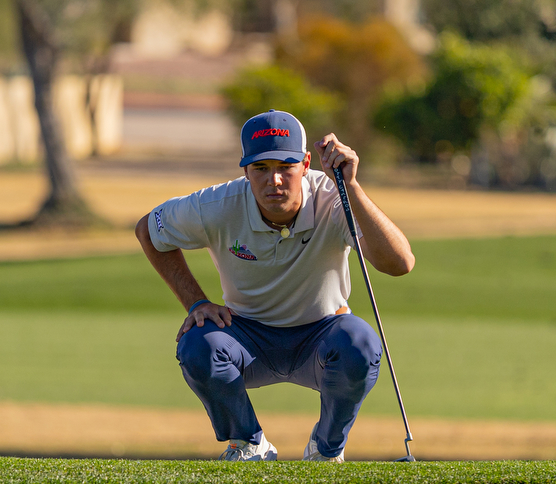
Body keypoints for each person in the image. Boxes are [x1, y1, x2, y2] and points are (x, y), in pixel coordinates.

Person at [135, 110, 414, 462]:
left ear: (306, 163)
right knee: (197, 344)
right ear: (245, 171)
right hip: (248, 338)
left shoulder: (335, 196)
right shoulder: (218, 204)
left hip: (324, 337)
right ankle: (248, 443)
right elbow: (148, 230)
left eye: (286, 166)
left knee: (360, 342)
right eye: (261, 169)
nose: (275, 181)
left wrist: (352, 187)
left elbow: (400, 264)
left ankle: (326, 450)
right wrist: (195, 302)